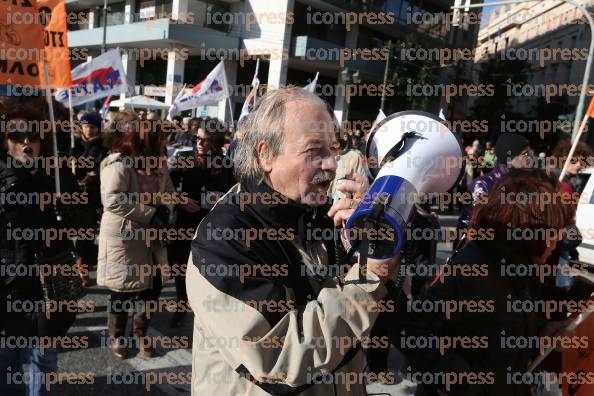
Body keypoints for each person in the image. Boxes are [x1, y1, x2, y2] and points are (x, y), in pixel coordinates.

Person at [185, 87, 399, 395]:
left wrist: (369, 238)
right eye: (314, 151)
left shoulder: (316, 215)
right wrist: (370, 276)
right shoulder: (224, 237)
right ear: (266, 154)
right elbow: (279, 357)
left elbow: (375, 319)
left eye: (332, 150)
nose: (330, 165)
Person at [395, 169, 572, 396]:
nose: (558, 239)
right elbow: (410, 327)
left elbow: (501, 332)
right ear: (528, 229)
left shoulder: (520, 270)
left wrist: (544, 330)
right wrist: (462, 382)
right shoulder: (473, 271)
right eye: (554, 230)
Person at [0, 97, 84, 396]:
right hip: (9, 290)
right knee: (7, 366)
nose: (26, 142)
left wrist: (68, 210)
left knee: (45, 361)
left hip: (52, 289)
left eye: (33, 136)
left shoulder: (59, 174)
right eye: (17, 136)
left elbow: (85, 224)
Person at [97, 119, 175, 359]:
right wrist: (150, 212)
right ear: (147, 139)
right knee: (122, 288)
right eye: (161, 137)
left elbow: (169, 192)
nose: (166, 142)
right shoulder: (119, 163)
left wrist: (170, 207)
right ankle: (117, 336)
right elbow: (112, 199)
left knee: (153, 285)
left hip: (153, 236)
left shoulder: (160, 162)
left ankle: (140, 333)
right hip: (126, 235)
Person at [167, 117, 235, 327]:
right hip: (184, 222)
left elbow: (234, 194)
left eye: (205, 140)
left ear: (215, 141)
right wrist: (180, 200)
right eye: (197, 138)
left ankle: (204, 310)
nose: (199, 143)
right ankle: (181, 303)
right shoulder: (184, 159)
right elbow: (166, 190)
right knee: (179, 266)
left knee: (205, 270)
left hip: (211, 226)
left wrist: (221, 200)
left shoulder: (227, 165)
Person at [456, 133, 533, 246]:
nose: (531, 157)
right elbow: (470, 226)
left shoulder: (527, 185)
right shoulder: (483, 185)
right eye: (525, 154)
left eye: (531, 152)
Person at [71, 112, 109, 286]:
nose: (88, 130)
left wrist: (92, 177)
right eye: (85, 126)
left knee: (85, 237)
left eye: (92, 127)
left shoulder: (103, 148)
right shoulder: (74, 145)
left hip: (91, 199)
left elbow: (102, 171)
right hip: (71, 197)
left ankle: (82, 270)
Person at [327, 136, 366, 201]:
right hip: (324, 202)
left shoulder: (354, 156)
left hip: (342, 202)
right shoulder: (324, 156)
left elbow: (363, 185)